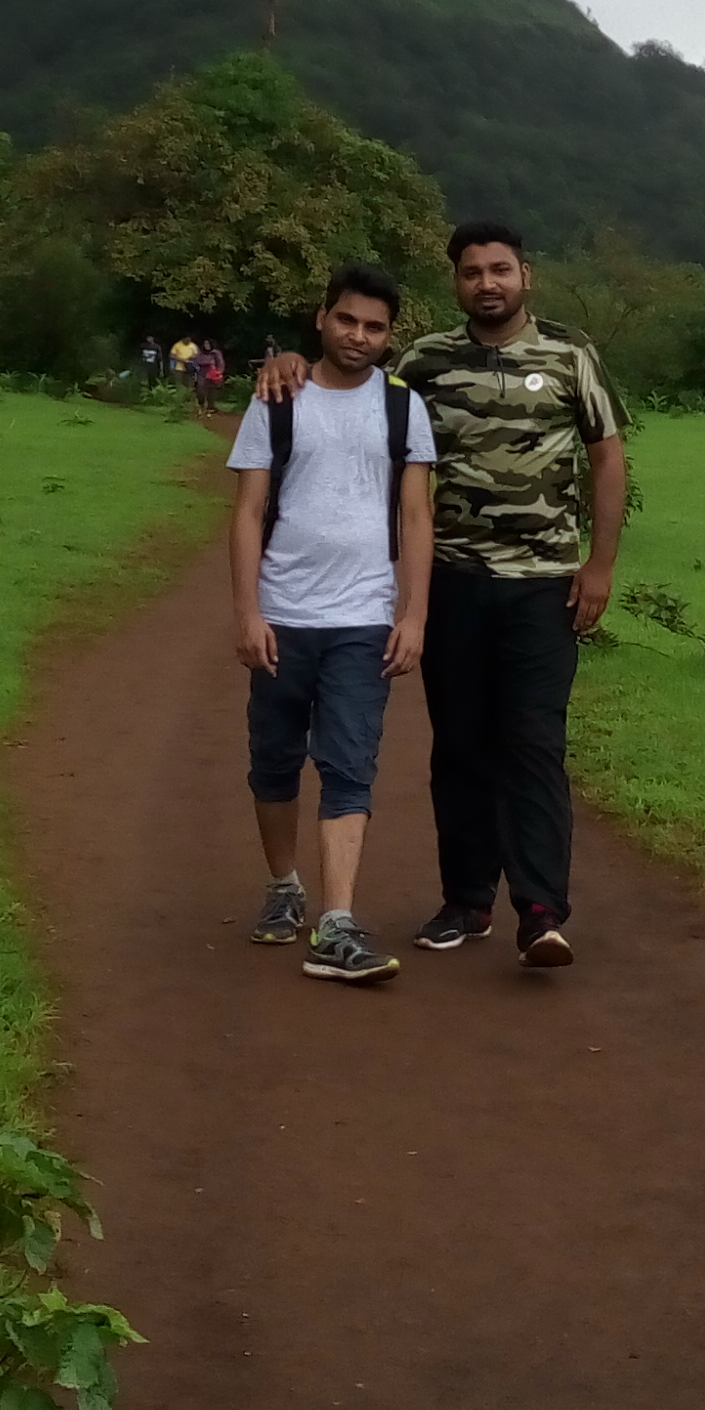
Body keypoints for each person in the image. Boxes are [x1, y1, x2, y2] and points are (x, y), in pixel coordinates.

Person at [257, 220, 624, 967]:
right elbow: (349, 383)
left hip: (543, 584)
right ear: (455, 283)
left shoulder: (570, 355)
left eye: (500, 269)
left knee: (532, 743)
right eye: (470, 272)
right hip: (452, 580)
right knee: (457, 746)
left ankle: (542, 911)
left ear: (527, 275)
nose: (487, 282)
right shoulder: (425, 362)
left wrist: (600, 566)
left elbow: (607, 457)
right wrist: (290, 360)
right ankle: (466, 901)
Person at [225, 263, 438, 984]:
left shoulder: (405, 407)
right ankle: (284, 887)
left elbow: (416, 514)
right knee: (275, 760)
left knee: (350, 765)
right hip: (283, 615)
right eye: (347, 320)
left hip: (362, 617)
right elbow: (249, 511)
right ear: (321, 317)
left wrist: (414, 613)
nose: (359, 336)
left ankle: (337, 922)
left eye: (375, 327)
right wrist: (247, 611)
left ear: (390, 335)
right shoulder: (278, 398)